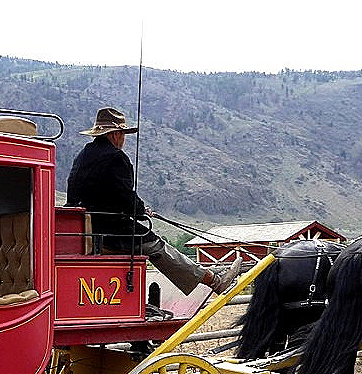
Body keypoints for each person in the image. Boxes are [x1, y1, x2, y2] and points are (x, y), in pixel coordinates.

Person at [66, 107, 239, 295]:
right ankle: (214, 281)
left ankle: (204, 272)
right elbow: (124, 195)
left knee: (150, 239)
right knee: (156, 246)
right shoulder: (115, 158)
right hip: (109, 231)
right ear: (115, 134)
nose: (123, 139)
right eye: (123, 134)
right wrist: (141, 210)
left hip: (82, 229)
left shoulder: (83, 155)